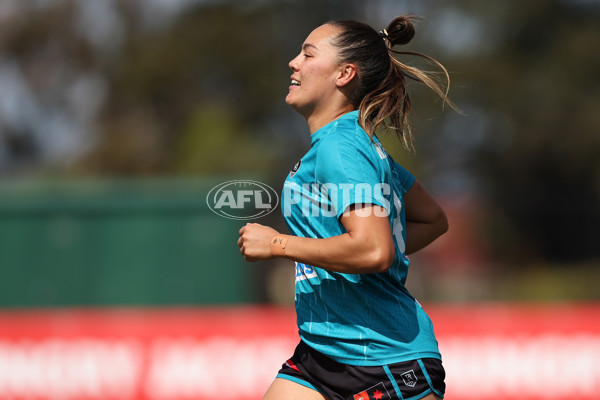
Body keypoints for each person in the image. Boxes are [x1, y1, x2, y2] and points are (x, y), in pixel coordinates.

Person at [238, 15, 455, 400]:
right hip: (321, 353)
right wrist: (359, 251)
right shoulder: (349, 144)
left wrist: (277, 244)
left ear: (344, 74)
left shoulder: (342, 147)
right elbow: (430, 219)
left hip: (385, 361)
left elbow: (375, 249)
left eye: (307, 54)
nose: (294, 62)